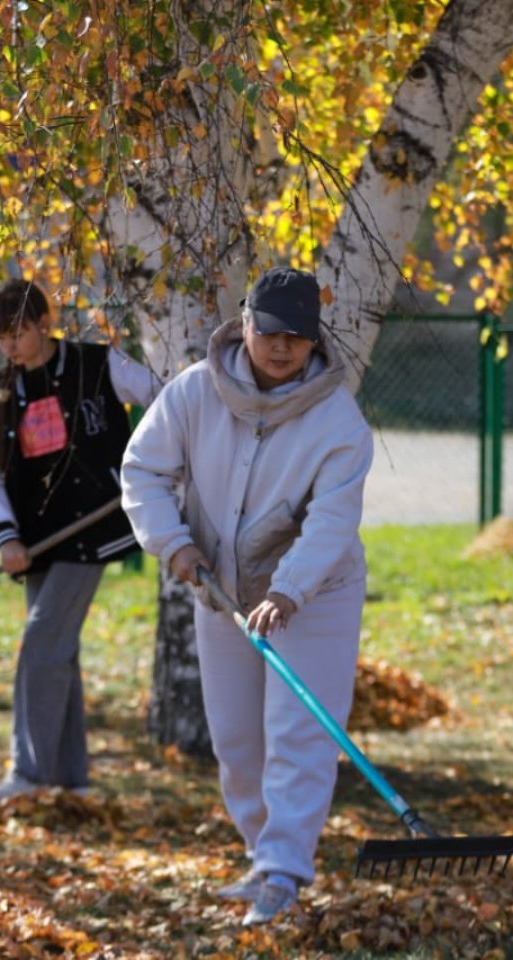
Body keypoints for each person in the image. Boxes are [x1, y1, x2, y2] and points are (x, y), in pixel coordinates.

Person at [119, 266, 373, 926]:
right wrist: (173, 544)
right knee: (236, 741)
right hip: (222, 591)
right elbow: (142, 470)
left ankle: (284, 869)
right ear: (244, 323)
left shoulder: (338, 421)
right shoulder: (195, 392)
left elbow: (331, 521)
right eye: (270, 332)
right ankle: (263, 854)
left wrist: (289, 590)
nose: (283, 347)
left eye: (297, 335)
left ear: (314, 340)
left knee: (298, 733)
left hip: (313, 595)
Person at [0, 278, 162, 800]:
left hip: (93, 530)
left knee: (41, 643)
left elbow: (165, 401)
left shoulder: (97, 364)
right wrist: (6, 536)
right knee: (59, 652)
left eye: (17, 333)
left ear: (42, 325)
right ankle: (71, 778)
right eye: (0, 337)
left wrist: (151, 472)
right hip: (37, 539)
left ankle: (30, 774)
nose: (9, 346)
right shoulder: (1, 390)